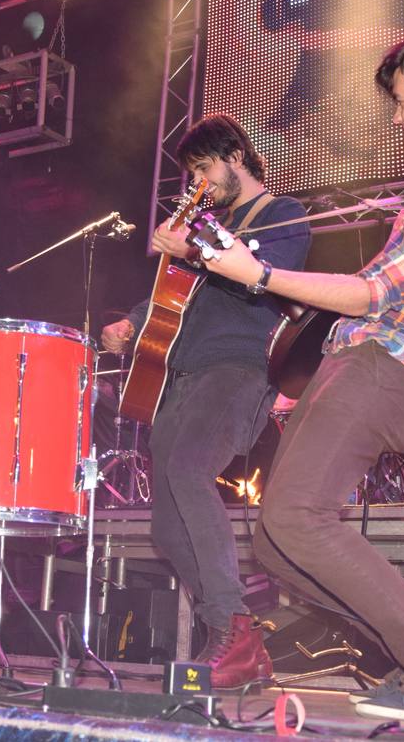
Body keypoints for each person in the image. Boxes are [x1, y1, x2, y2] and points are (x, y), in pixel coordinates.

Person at [200, 22, 404, 719]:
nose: (396, 114)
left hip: (392, 369)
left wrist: (258, 274)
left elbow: (375, 292)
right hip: (359, 360)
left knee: (297, 517)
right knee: (275, 540)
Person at [102, 114, 311, 688]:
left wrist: (193, 248)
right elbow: (177, 298)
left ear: (235, 157)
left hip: (239, 369)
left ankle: (233, 628)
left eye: (203, 168)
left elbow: (262, 276)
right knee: (166, 529)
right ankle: (235, 637)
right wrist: (130, 322)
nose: (198, 181)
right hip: (184, 373)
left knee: (191, 472)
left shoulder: (282, 214)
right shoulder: (207, 226)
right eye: (190, 172)